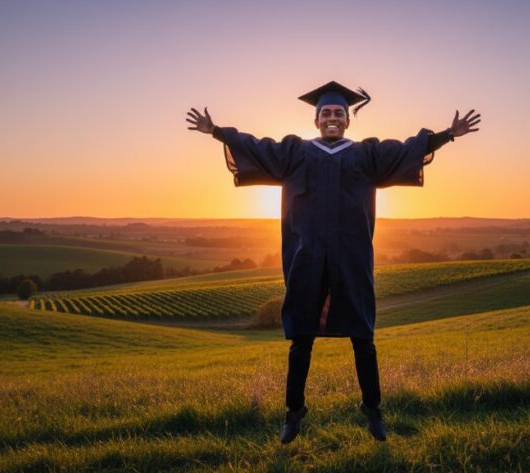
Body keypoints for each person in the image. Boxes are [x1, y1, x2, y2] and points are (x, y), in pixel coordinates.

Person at [186, 81, 480, 443]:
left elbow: (406, 150)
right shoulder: (295, 153)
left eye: (339, 113)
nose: (332, 118)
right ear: (316, 119)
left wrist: (447, 135)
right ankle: (293, 413)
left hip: (351, 261)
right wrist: (215, 131)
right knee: (301, 341)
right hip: (306, 259)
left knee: (362, 338)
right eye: (326, 113)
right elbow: (256, 147)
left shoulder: (366, 155)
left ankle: (373, 411)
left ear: (347, 120)